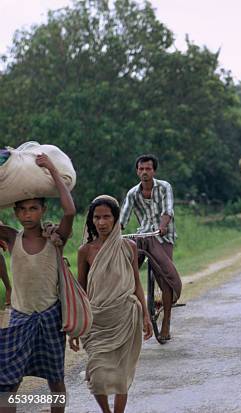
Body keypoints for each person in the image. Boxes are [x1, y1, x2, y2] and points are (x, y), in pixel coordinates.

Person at [0, 154, 75, 413]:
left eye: (33, 208)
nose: (27, 214)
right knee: (8, 384)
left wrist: (52, 169)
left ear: (43, 209)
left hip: (50, 317)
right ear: (15, 212)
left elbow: (70, 210)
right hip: (20, 317)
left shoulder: (56, 239)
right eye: (22, 209)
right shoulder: (11, 237)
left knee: (55, 381)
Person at [71, 196, 152, 413]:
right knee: (97, 377)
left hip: (126, 316)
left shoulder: (129, 247)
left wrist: (146, 315)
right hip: (96, 320)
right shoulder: (85, 251)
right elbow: (81, 289)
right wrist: (76, 325)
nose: (101, 222)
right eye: (97, 217)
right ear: (91, 220)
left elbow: (136, 283)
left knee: (121, 375)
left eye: (107, 217)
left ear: (116, 219)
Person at [119, 154, 181, 341]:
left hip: (163, 236)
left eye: (148, 169)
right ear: (137, 171)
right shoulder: (133, 193)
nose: (144, 172)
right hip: (143, 236)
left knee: (165, 275)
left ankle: (166, 322)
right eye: (141, 169)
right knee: (127, 271)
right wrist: (115, 232)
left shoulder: (164, 187)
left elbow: (167, 210)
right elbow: (123, 217)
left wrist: (163, 226)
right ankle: (126, 311)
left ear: (154, 171)